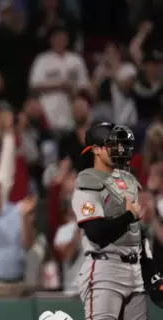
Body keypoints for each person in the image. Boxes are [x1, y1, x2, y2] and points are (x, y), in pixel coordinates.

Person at [72, 122, 149, 319]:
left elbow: (138, 232)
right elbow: (95, 232)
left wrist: (151, 269)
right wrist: (128, 216)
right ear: (96, 150)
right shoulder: (87, 182)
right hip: (105, 267)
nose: (119, 149)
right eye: (112, 145)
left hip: (134, 269)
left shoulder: (127, 179)